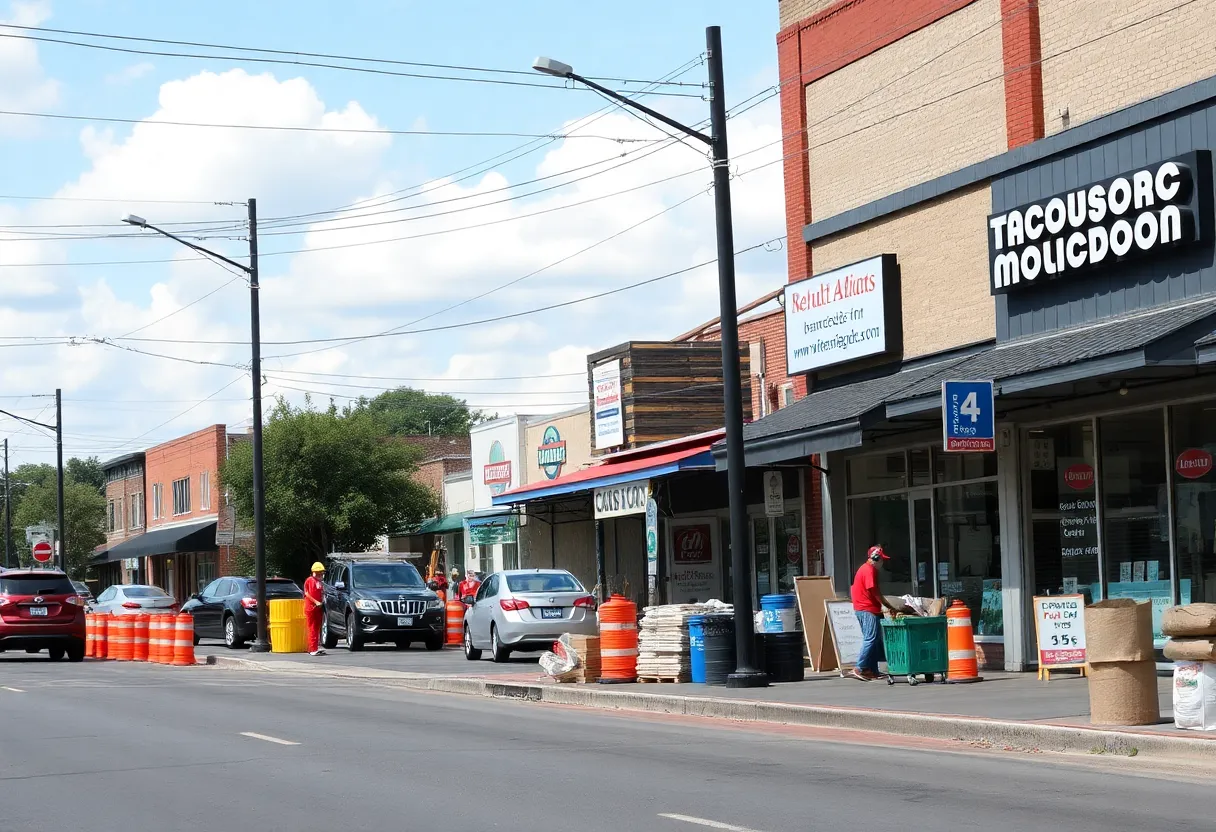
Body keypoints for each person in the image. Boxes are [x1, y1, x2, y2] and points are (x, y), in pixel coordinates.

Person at [850, 545, 899, 681]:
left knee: (875, 639)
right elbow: (873, 590)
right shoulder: (868, 570)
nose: (882, 563)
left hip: (866, 608)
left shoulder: (867, 569)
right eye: (881, 559)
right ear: (875, 558)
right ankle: (859, 668)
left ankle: (871, 670)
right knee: (870, 638)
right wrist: (885, 604)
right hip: (867, 609)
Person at [304, 562, 327, 656]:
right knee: (313, 628)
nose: (320, 575)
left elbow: (320, 593)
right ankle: (312, 648)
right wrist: (316, 602)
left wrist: (322, 600)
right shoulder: (310, 580)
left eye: (321, 573)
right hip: (311, 608)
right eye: (318, 573)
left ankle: (314, 647)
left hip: (318, 607)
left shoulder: (319, 582)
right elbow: (307, 593)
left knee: (316, 628)